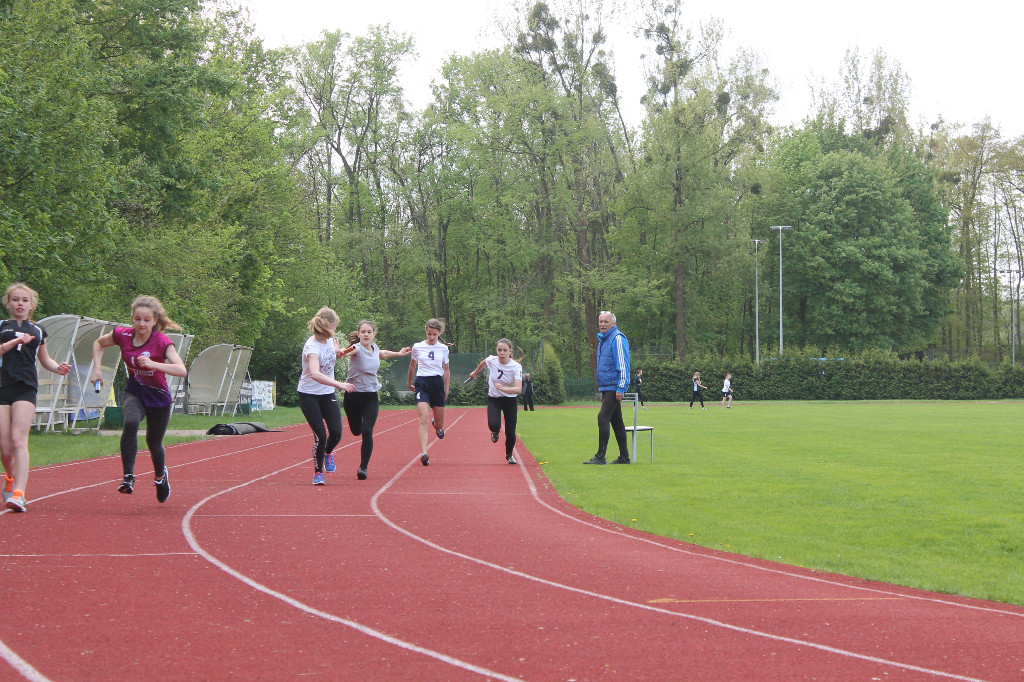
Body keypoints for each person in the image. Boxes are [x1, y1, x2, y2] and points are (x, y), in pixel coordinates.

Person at [91, 295, 187, 502]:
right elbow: (98, 343)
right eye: (137, 319)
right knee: (131, 422)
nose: (141, 324)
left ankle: (160, 477)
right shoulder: (122, 334)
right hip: (134, 392)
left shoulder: (162, 342)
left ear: (155, 321)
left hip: (159, 398)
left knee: (154, 443)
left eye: (146, 320)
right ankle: (128, 477)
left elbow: (181, 370)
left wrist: (154, 364)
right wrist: (97, 370)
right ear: (132, 319)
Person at [0, 283, 72, 512]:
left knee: (18, 440)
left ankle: (19, 494)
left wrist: (57, 367)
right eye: (15, 300)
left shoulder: (38, 330)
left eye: (25, 300)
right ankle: (10, 477)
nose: (20, 304)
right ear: (8, 303)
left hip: (26, 388)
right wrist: (15, 341)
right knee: (5, 448)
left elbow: (45, 359)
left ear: (31, 305)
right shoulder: (2, 326)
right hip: (2, 388)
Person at [338, 321, 409, 480]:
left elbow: (383, 353)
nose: (366, 334)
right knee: (356, 431)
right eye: (363, 332)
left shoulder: (375, 349)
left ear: (373, 334)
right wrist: (339, 352)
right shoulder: (356, 348)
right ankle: (358, 429)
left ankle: (363, 468)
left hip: (370, 397)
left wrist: (399, 353)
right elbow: (346, 351)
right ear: (358, 334)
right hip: (353, 396)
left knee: (367, 431)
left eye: (369, 332)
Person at [296, 307, 354, 485]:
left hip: (327, 393)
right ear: (329, 324)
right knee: (320, 435)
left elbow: (327, 360)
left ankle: (328, 452)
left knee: (336, 433)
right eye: (335, 325)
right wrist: (339, 384)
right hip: (309, 394)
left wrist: (337, 352)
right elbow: (315, 373)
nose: (335, 329)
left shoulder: (329, 341)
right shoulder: (311, 346)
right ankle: (318, 473)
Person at [584, 311, 631, 465]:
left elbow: (623, 364)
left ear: (614, 324)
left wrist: (621, 387)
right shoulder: (603, 340)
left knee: (603, 417)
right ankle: (624, 457)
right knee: (616, 421)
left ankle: (600, 456)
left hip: (614, 385)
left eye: (606, 322)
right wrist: (603, 390)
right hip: (608, 386)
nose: (603, 324)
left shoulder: (617, 338)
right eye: (601, 321)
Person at [468, 339, 523, 464]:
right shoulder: (492, 360)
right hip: (494, 399)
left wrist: (503, 389)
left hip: (510, 400)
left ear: (510, 351)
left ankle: (509, 455)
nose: (501, 353)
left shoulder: (515, 367)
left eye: (505, 350)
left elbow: (518, 389)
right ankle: (496, 431)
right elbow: (484, 362)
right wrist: (475, 372)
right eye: (499, 350)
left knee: (510, 432)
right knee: (493, 425)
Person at [407, 319, 450, 466]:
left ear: (439, 334)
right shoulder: (417, 347)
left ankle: (437, 426)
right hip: (422, 383)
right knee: (423, 418)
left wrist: (447, 388)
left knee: (439, 423)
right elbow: (412, 366)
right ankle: (424, 453)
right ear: (426, 332)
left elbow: (446, 370)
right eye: (429, 334)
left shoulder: (443, 349)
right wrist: (409, 382)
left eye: (434, 335)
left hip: (437, 384)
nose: (431, 337)